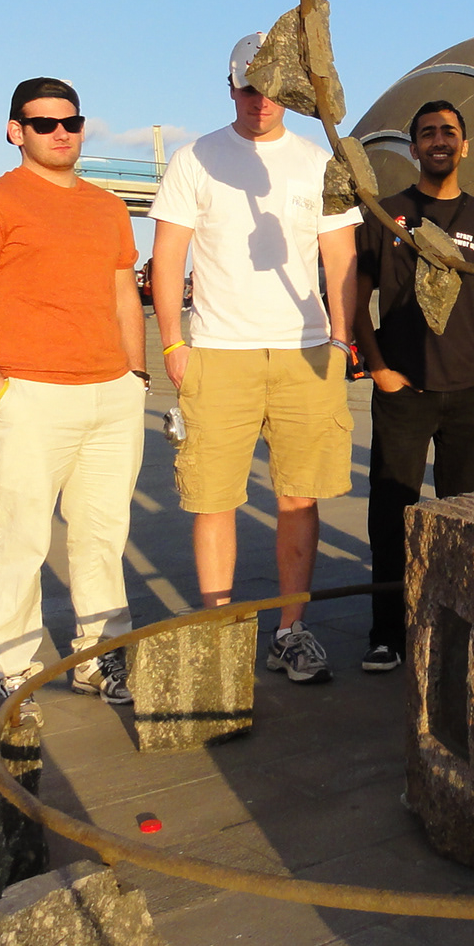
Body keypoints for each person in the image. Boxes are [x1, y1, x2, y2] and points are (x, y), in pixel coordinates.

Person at [148, 35, 361, 685]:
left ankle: (291, 631)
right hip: (218, 351)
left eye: (270, 89)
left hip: (305, 351)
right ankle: (218, 633)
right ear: (230, 86)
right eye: (247, 87)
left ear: (289, 91)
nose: (259, 101)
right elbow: (167, 255)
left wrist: (341, 339)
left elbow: (341, 257)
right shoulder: (194, 159)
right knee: (213, 498)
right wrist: (173, 344)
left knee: (298, 496)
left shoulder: (318, 162)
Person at [0, 76, 148, 714]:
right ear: (16, 131)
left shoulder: (107, 207)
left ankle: (98, 656)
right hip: (31, 394)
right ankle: (11, 668)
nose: (61, 133)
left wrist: (136, 376)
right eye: (43, 124)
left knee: (103, 535)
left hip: (112, 393)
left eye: (71, 122)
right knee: (20, 538)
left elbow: (124, 295)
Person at [353, 100, 474, 672]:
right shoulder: (387, 214)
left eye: (449, 131)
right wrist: (379, 368)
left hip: (470, 391)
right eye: (427, 133)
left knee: (467, 516)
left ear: (464, 146)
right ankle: (386, 633)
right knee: (390, 513)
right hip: (405, 391)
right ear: (414, 147)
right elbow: (357, 298)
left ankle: (458, 631)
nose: (439, 140)